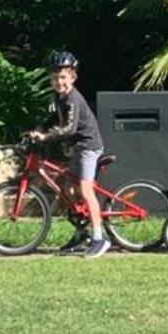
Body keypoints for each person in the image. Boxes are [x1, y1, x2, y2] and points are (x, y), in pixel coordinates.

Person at [26, 51, 109, 259]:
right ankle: (82, 233)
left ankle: (100, 238)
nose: (58, 81)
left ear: (73, 77)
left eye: (63, 77)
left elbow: (70, 128)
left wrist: (45, 137)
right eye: (54, 78)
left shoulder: (73, 98)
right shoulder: (59, 96)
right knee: (68, 189)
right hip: (77, 148)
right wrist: (39, 128)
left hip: (89, 146)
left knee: (84, 188)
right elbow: (55, 116)